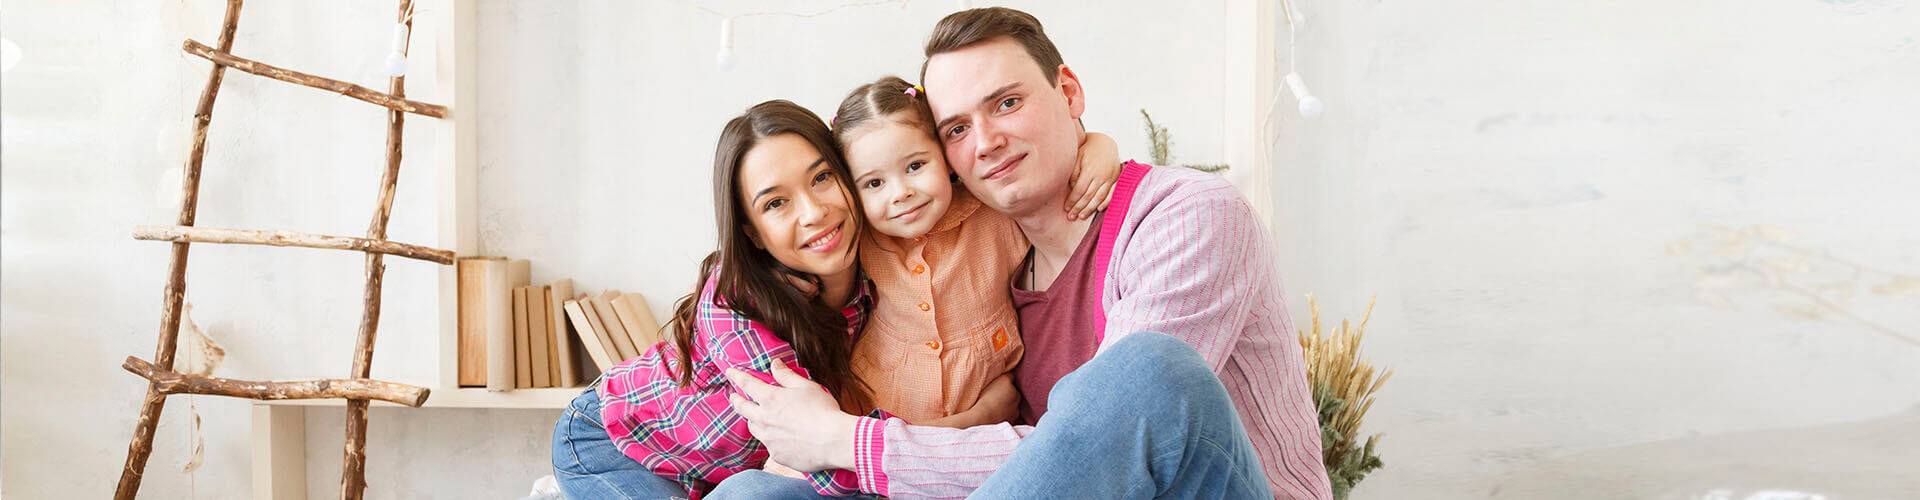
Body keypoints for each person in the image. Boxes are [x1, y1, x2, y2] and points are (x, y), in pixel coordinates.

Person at [721, 8, 1334, 499]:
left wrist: (847, 441)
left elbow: (1111, 435)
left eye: (1007, 103)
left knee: (1147, 368)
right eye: (956, 129)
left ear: (1069, 91)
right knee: (752, 493)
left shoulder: (1184, 214)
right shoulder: (992, 260)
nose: (986, 142)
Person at [549, 100, 873, 499]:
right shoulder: (734, 299)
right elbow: (808, 436)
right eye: (775, 203)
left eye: (821, 177)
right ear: (751, 233)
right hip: (608, 441)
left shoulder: (881, 278)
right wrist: (911, 459)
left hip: (708, 468)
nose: (812, 212)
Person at [826, 75, 1119, 426]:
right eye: (874, 183)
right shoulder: (861, 236)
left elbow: (1060, 169)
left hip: (988, 425)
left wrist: (1101, 145)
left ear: (947, 158)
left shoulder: (994, 209)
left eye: (916, 166)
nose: (900, 193)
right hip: (879, 410)